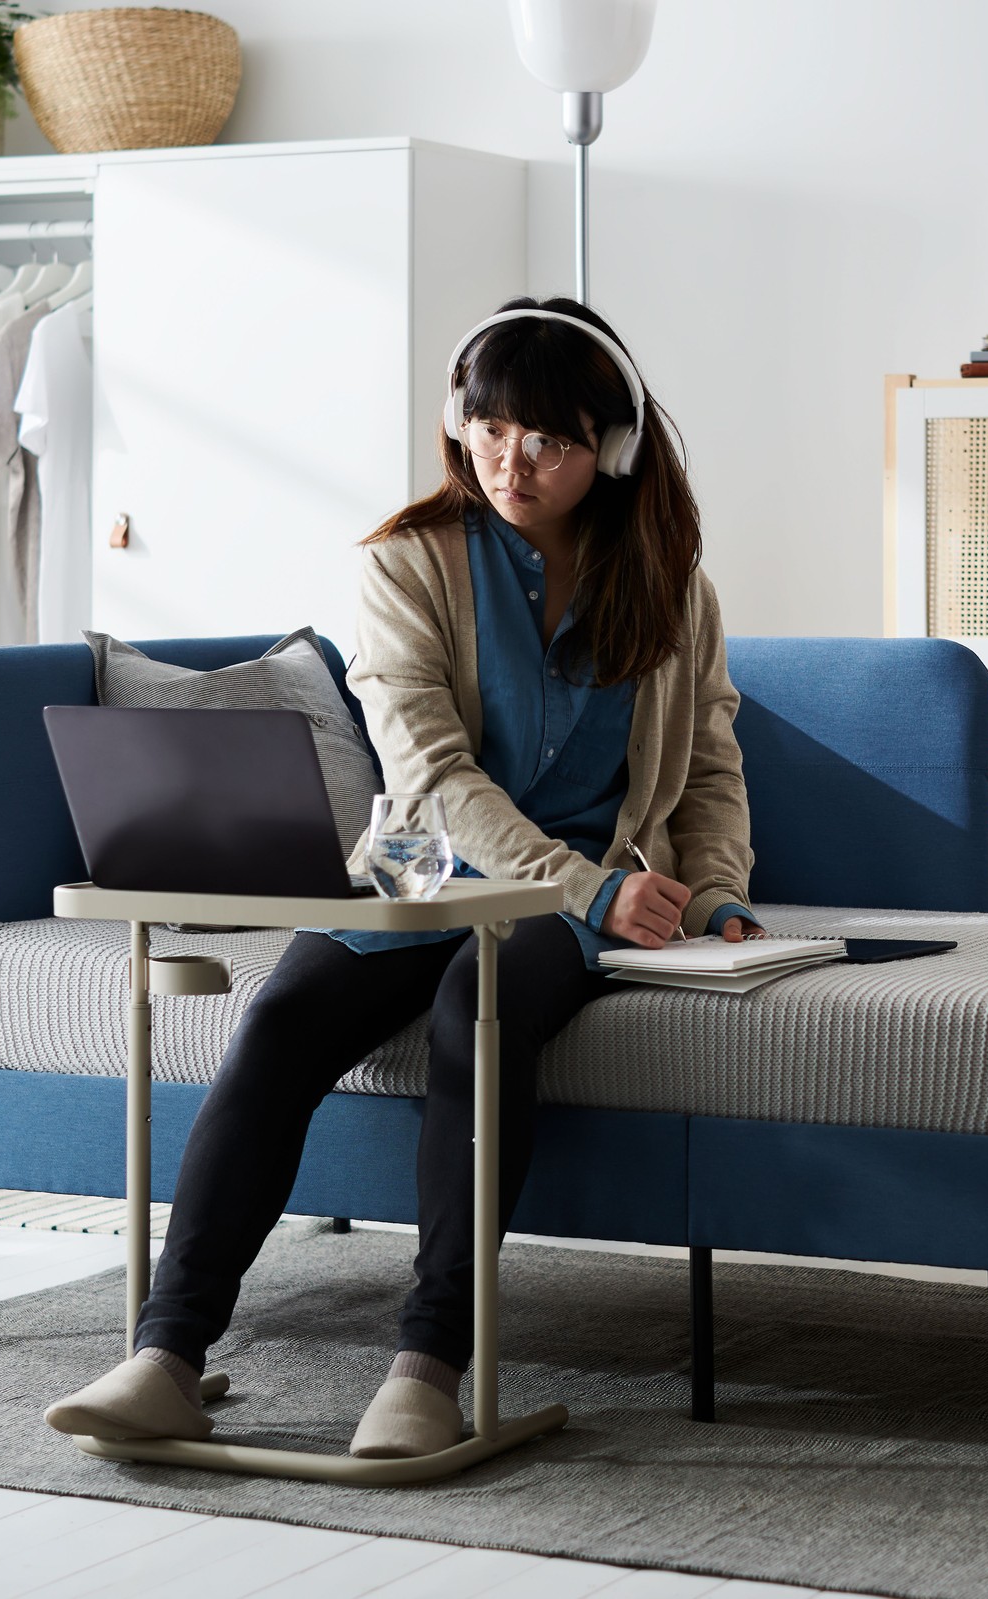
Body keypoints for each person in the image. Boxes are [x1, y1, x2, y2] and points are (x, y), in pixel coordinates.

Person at [45, 295, 765, 1459]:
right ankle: (165, 1355)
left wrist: (714, 890)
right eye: (487, 430)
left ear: (613, 449)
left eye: (548, 441)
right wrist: (582, 882)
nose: (510, 462)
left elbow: (711, 766)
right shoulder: (406, 563)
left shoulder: (671, 586)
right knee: (280, 1012)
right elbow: (428, 777)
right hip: (432, 877)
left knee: (472, 1014)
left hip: (561, 913)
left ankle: (428, 1367)